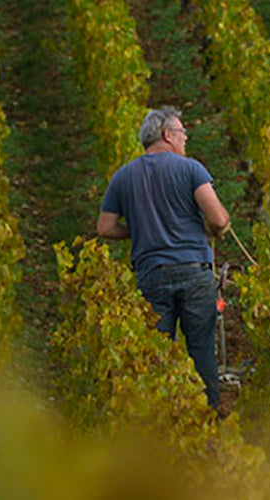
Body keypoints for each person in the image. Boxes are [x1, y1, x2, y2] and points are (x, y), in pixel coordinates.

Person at [96, 107, 230, 409]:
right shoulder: (191, 169)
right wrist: (218, 221)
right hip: (194, 274)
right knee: (202, 350)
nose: (185, 140)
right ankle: (207, 418)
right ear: (167, 135)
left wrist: (139, 230)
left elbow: (104, 227)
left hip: (151, 274)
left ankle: (161, 423)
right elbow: (219, 220)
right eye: (182, 133)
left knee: (156, 353)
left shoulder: (123, 176)